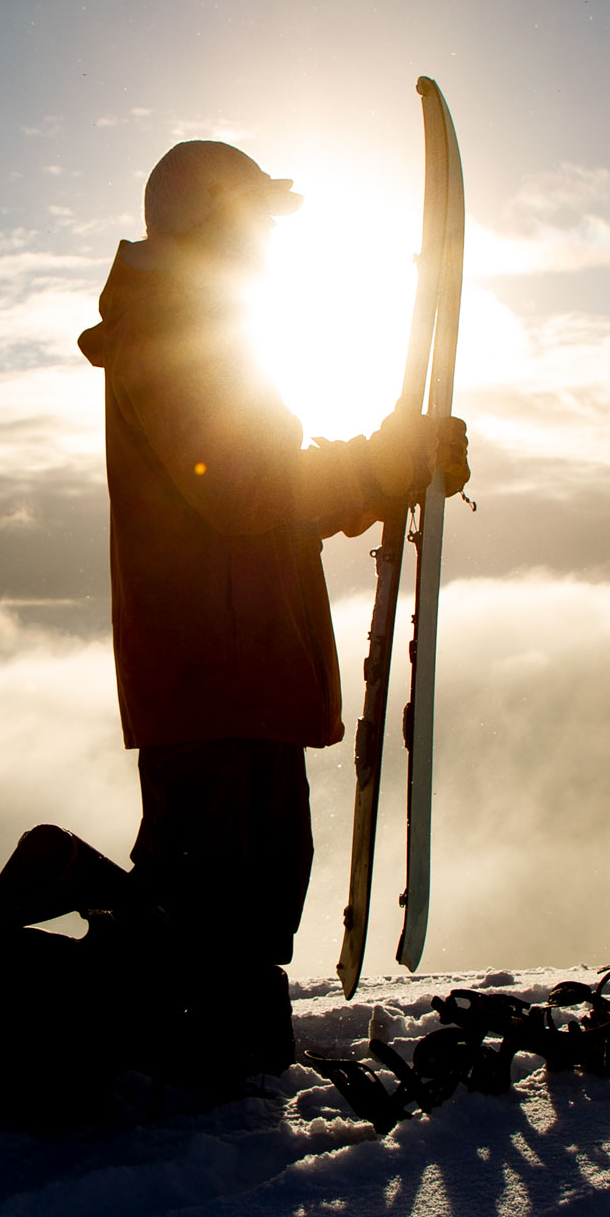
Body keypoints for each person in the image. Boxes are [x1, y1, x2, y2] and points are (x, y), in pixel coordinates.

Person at [77, 139, 469, 1082]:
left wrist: (391, 465)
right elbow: (246, 488)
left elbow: (266, 492)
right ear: (212, 220)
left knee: (243, 899)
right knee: (214, 902)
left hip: (235, 671)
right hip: (213, 675)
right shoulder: (170, 339)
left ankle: (208, 1058)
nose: (266, 244)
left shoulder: (202, 331)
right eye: (254, 220)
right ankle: (171, 1072)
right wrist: (383, 463)